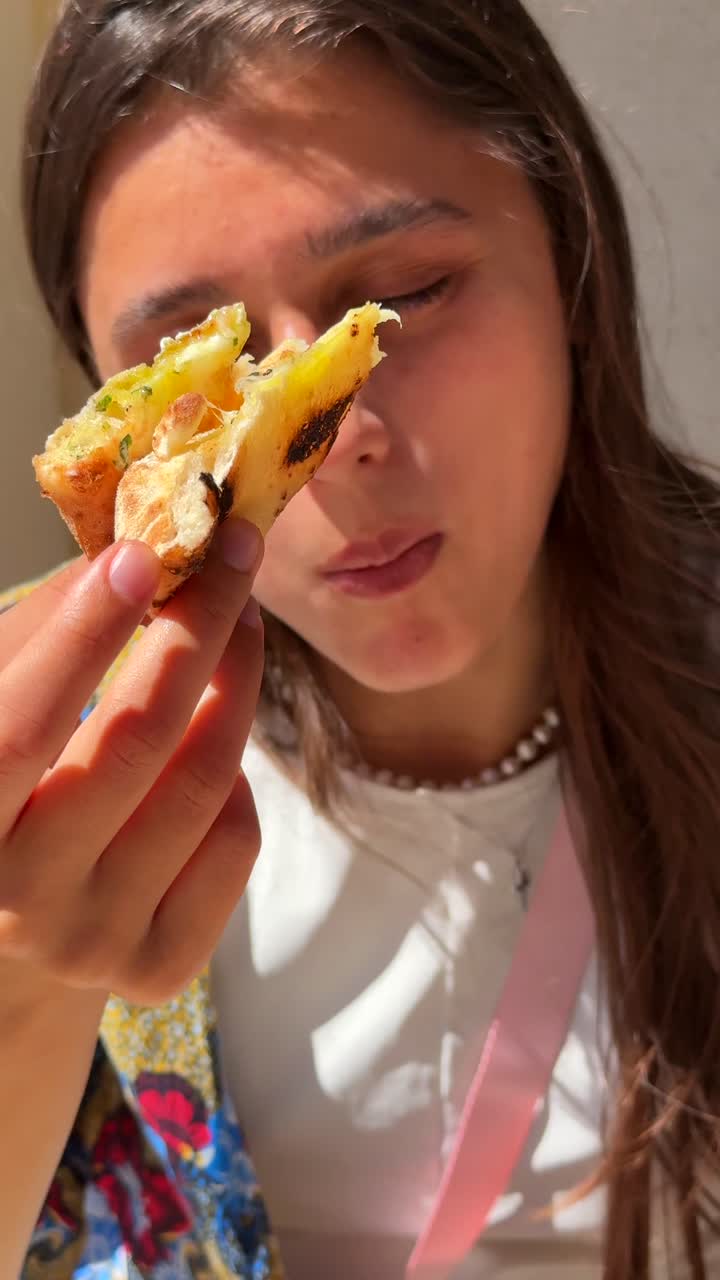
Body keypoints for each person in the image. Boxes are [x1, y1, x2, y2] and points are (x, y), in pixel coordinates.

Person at [1, 0, 718, 1276]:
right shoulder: (47, 762)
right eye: (195, 376)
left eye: (406, 295)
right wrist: (24, 996)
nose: (329, 438)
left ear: (573, 262)